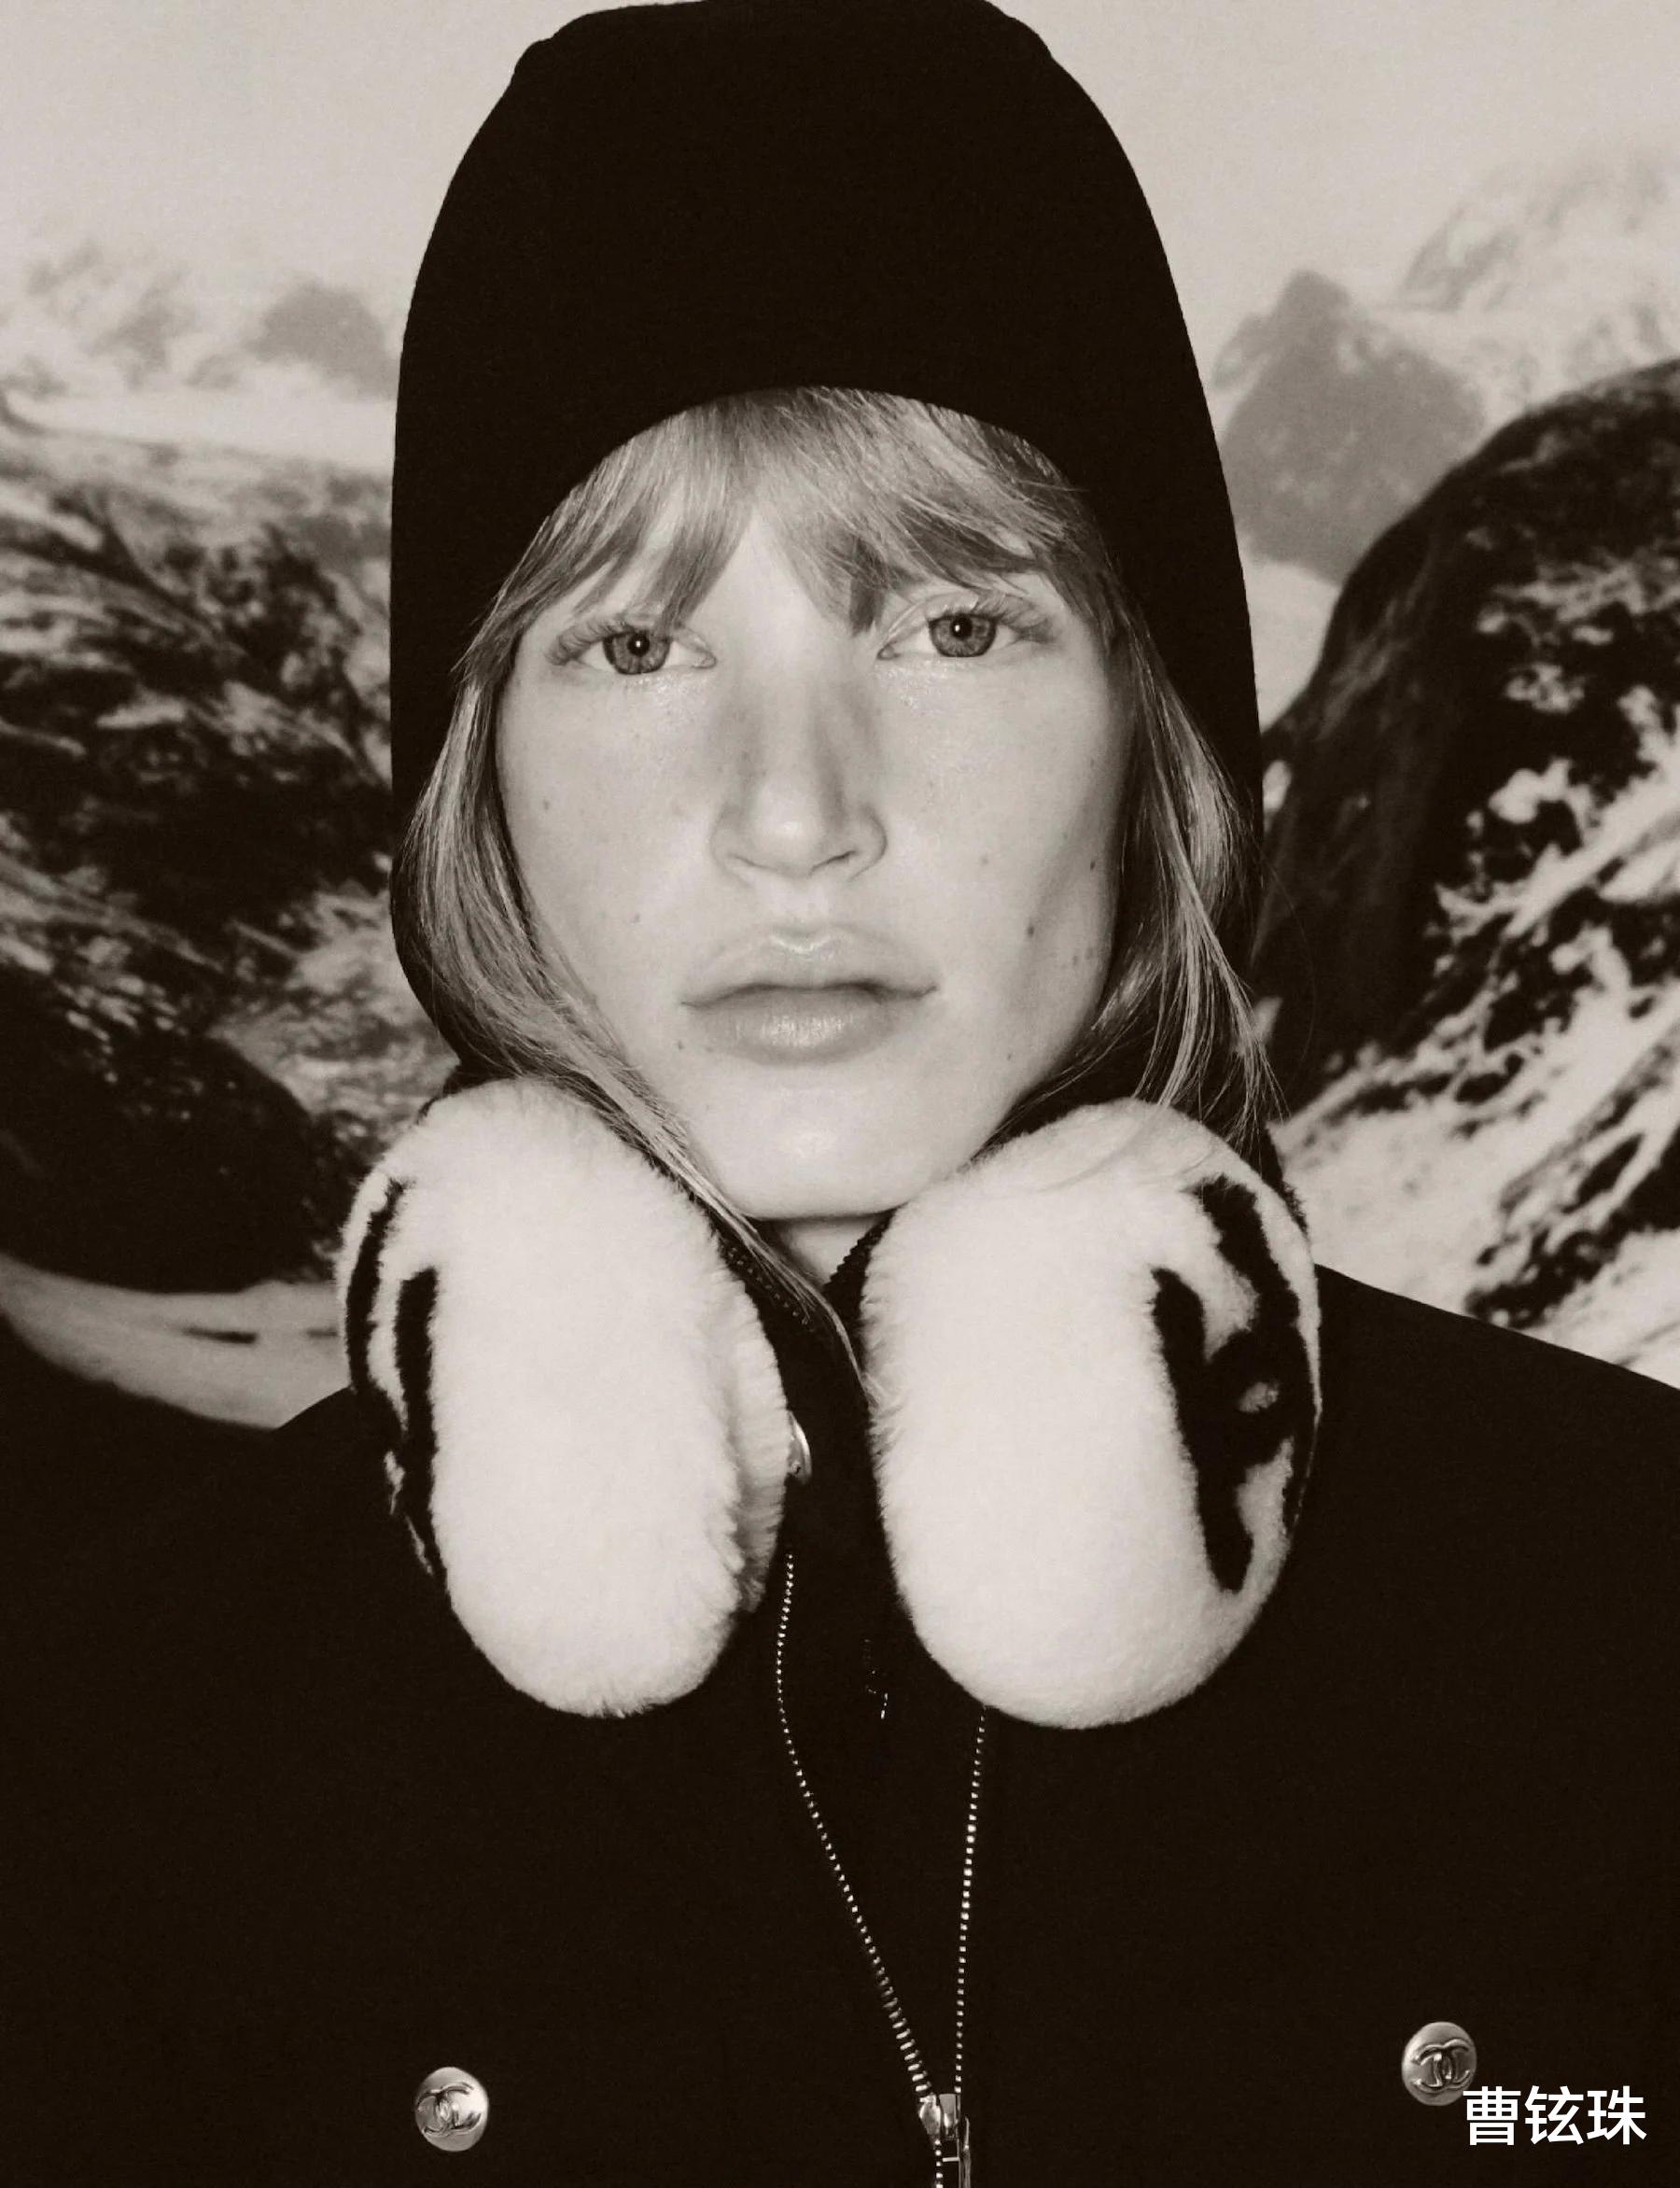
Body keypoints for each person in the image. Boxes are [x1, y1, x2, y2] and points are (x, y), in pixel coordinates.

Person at [9, 3, 1679, 2182]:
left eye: (952, 628)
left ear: (1156, 745)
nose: (796, 815)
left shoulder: (1629, 1619)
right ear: (475, 793)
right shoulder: (111, 1769)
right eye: (635, 644)